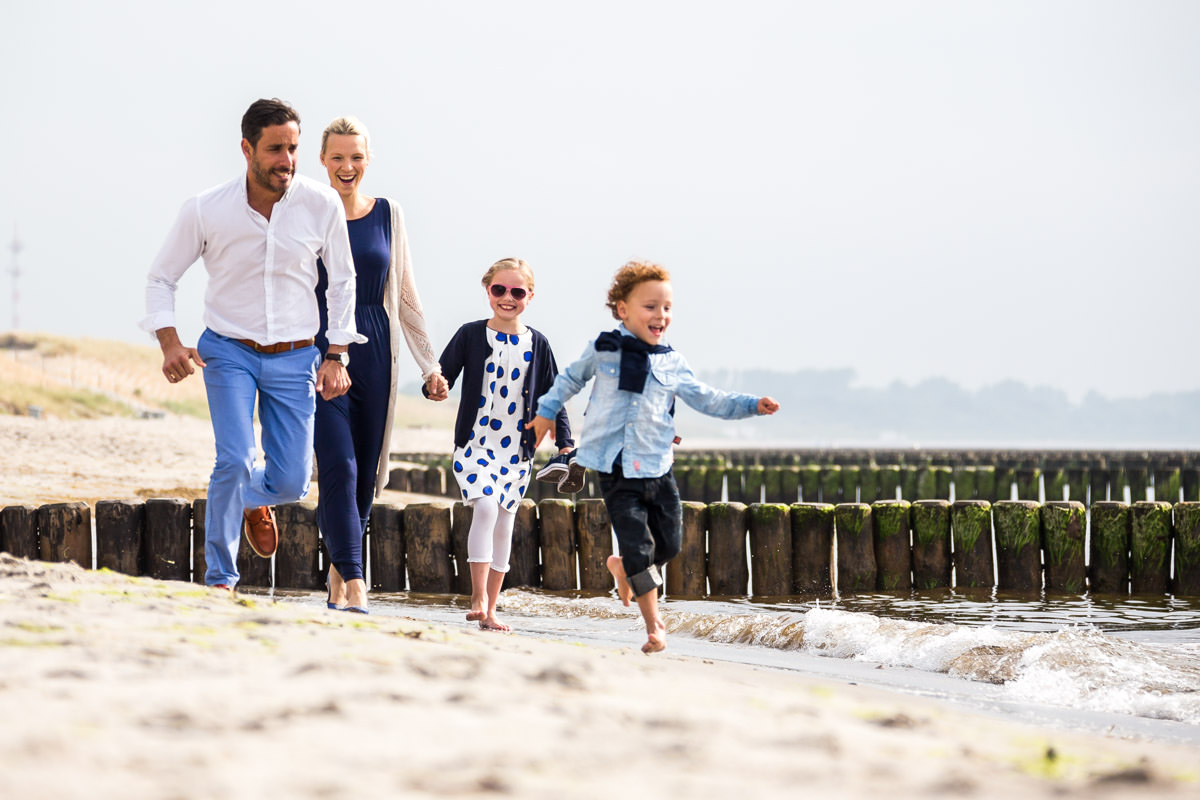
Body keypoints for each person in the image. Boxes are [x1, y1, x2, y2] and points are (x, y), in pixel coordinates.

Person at [141, 98, 363, 590]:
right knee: (234, 458)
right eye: (275, 149)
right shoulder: (206, 208)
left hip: (296, 356)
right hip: (228, 352)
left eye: (294, 149)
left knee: (291, 482)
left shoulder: (320, 204)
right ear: (246, 148)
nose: (286, 160)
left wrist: (336, 353)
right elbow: (162, 278)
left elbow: (343, 281)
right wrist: (170, 343)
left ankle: (248, 499)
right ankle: (221, 577)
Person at [532, 260, 780, 653]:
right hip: (615, 468)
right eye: (650, 306)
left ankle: (623, 568)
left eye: (666, 307)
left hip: (657, 467)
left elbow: (709, 399)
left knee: (670, 546)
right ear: (622, 308)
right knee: (639, 548)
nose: (660, 315)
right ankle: (654, 626)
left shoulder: (673, 362)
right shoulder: (604, 348)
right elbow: (569, 380)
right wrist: (547, 411)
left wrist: (752, 405)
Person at [314, 116, 448, 614]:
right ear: (322, 162)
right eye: (337, 157)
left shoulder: (389, 214)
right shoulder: (305, 210)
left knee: (367, 471)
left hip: (378, 348)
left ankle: (336, 572)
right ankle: (355, 579)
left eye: (356, 157)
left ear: (367, 161)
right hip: (322, 352)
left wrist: (428, 364)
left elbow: (405, 292)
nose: (347, 167)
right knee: (339, 467)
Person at [428, 258, 573, 631]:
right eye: (499, 290)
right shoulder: (470, 334)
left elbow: (554, 395)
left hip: (516, 452)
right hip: (475, 445)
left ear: (530, 296)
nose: (507, 298)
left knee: (505, 523)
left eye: (517, 292)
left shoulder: (537, 343)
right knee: (487, 509)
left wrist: (565, 443)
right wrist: (436, 386)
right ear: (488, 290)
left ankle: (491, 611)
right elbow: (441, 375)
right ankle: (477, 597)